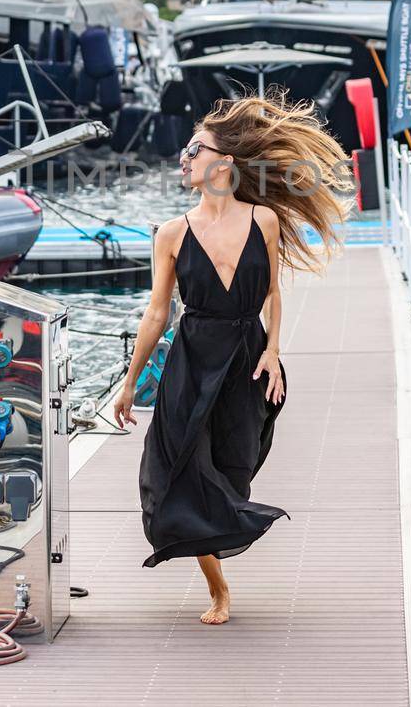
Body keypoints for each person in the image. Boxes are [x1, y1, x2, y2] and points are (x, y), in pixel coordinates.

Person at [112, 92, 350, 625]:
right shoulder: (171, 234)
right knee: (176, 474)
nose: (185, 157)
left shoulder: (262, 220)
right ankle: (218, 589)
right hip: (191, 361)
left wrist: (273, 350)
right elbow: (156, 315)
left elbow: (272, 293)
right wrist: (129, 384)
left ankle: (228, 532)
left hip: (245, 358)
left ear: (225, 162)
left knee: (231, 471)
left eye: (195, 149)